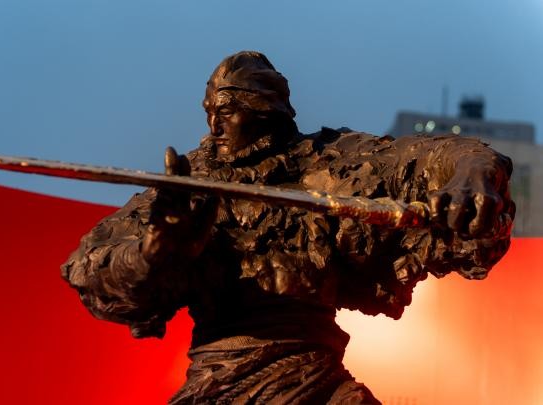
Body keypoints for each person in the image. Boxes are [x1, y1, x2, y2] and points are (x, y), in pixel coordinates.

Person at [62, 51, 514, 404]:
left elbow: (441, 155)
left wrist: (471, 176)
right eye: (209, 111)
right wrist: (154, 249)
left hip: (317, 380)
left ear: (265, 111)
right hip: (219, 383)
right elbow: (93, 268)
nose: (214, 125)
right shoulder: (191, 183)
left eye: (228, 111)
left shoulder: (327, 162)